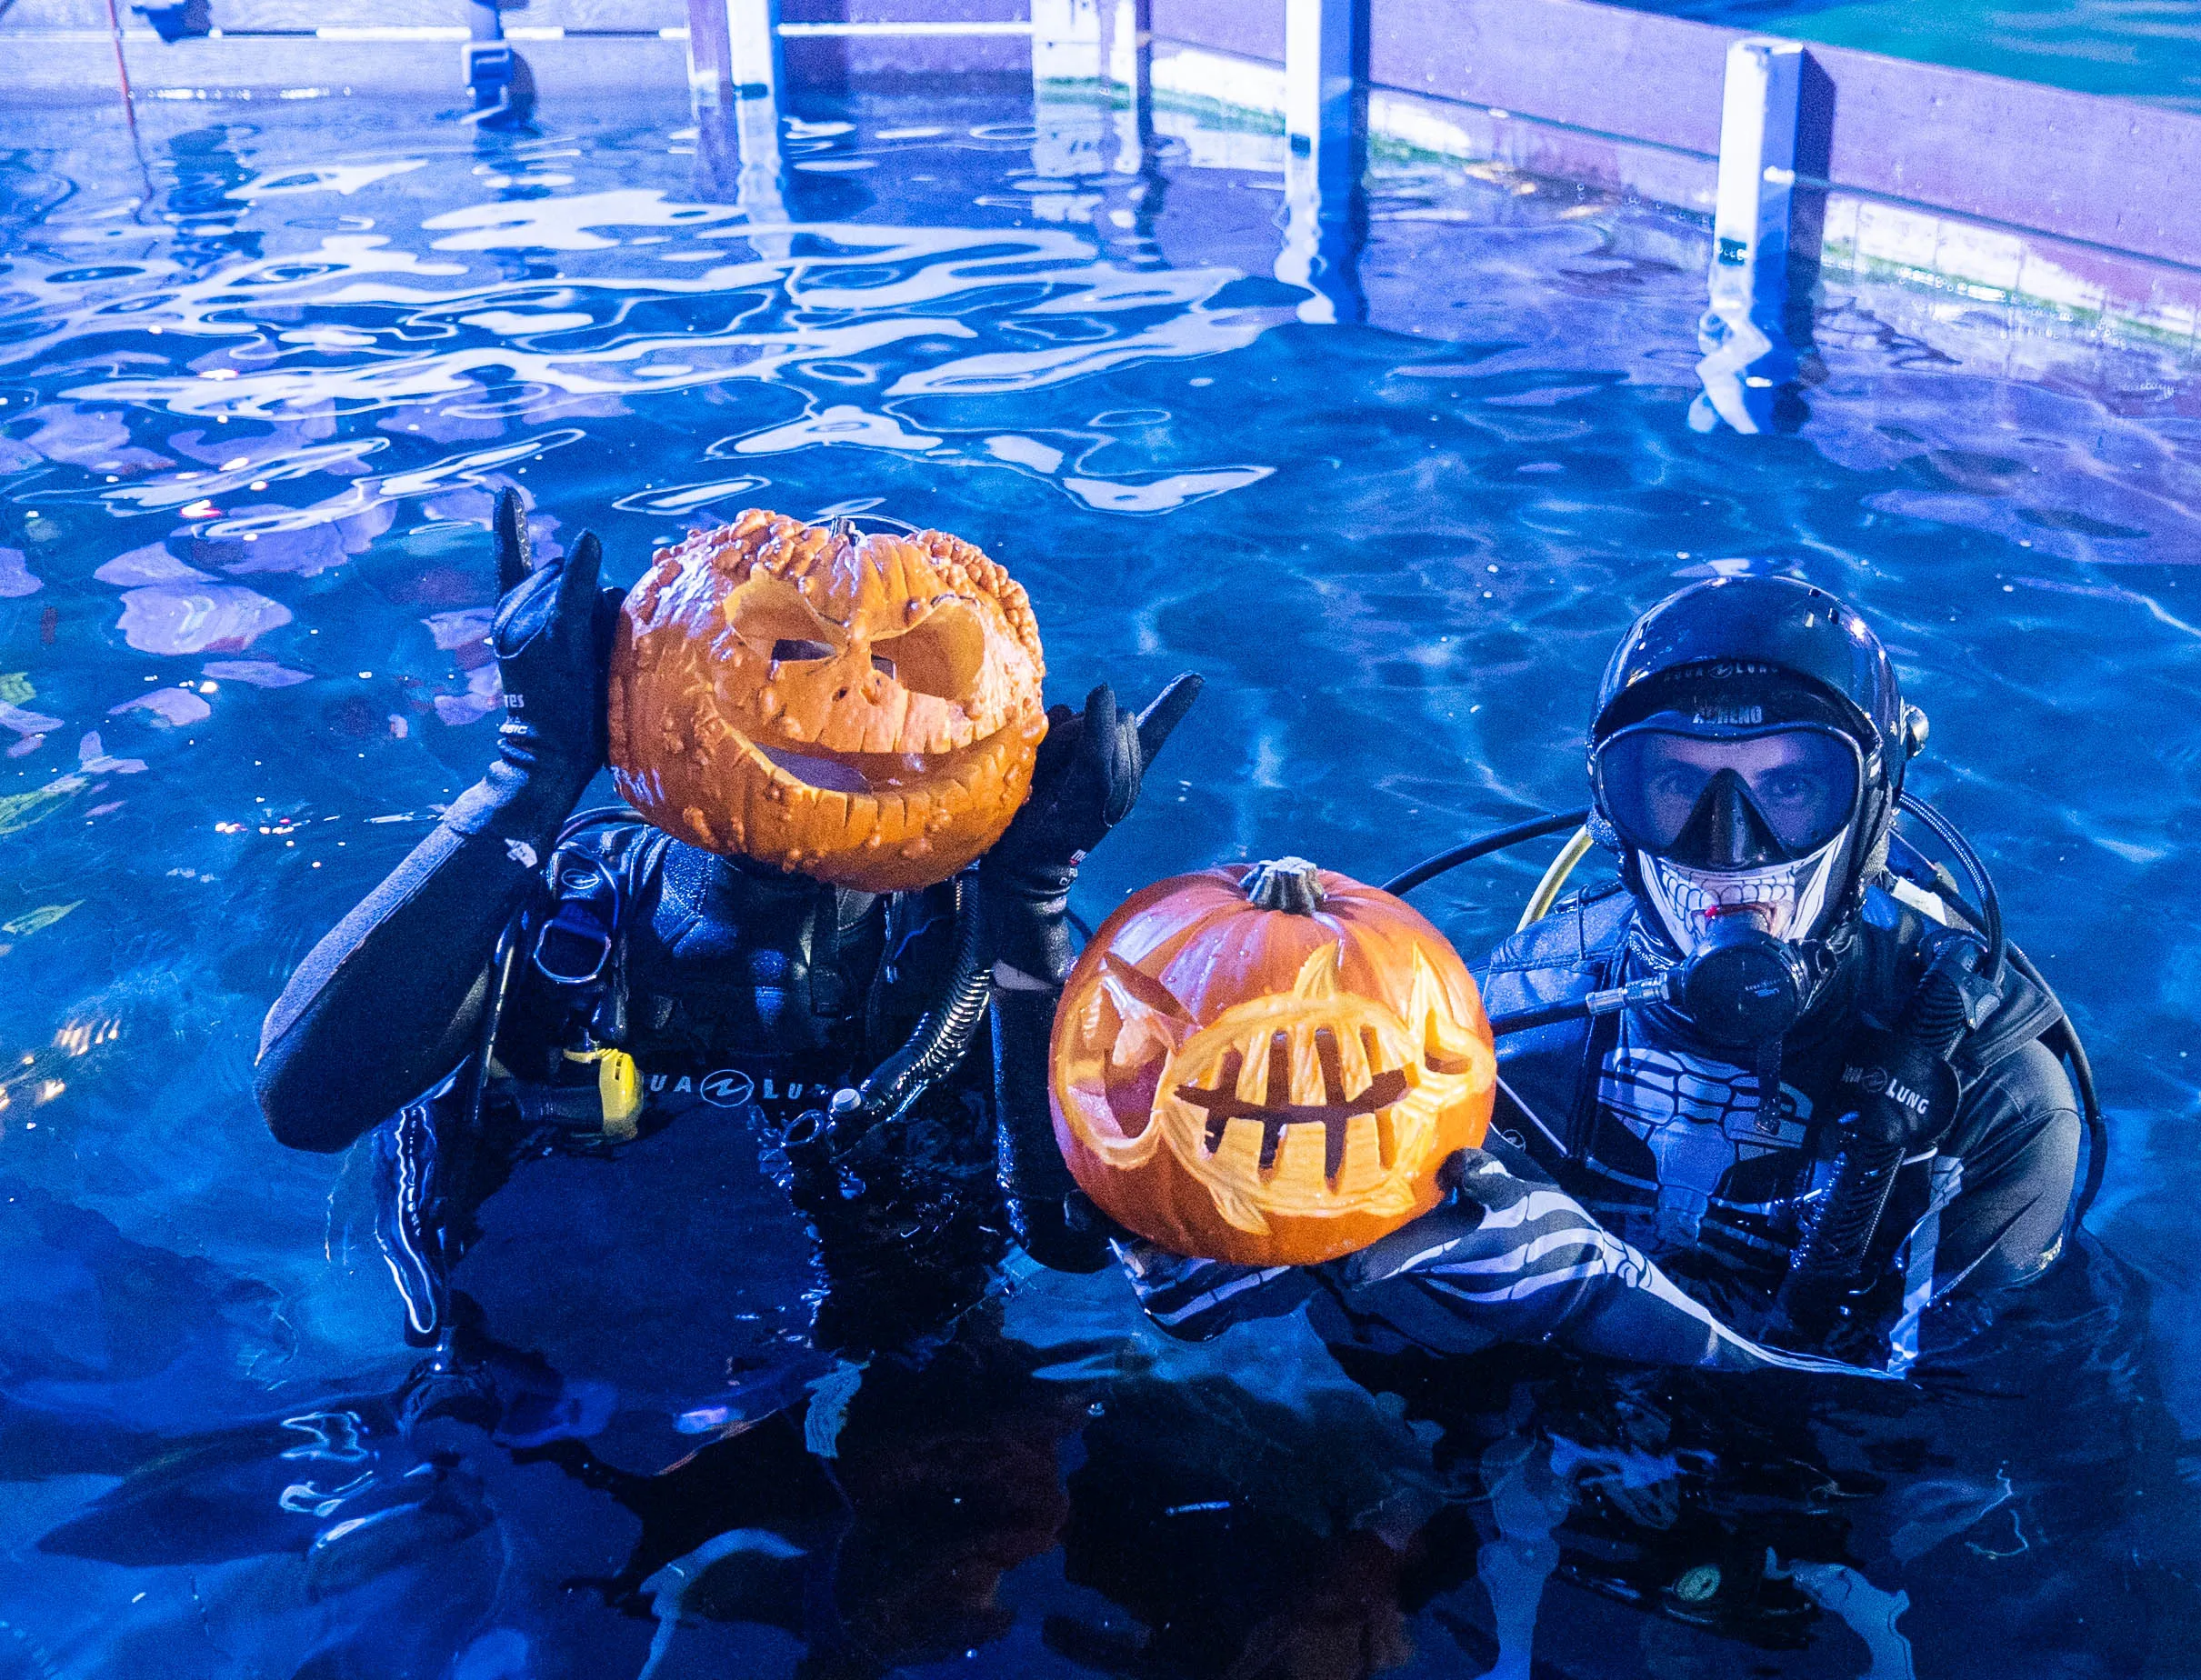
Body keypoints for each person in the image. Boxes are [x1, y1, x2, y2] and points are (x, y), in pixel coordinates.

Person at [256, 492, 1191, 1466]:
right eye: (787, 651)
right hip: (537, 1370)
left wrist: (1032, 895)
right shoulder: (557, 906)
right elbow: (306, 1103)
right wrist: (528, 771)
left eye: (905, 666)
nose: (847, 705)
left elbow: (1074, 1237)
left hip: (875, 1379)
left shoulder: (978, 952)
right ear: (656, 679)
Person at [1124, 575, 2091, 1376]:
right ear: (1608, 804)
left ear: (1871, 811)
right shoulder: (1505, 1017)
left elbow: (1946, 1434)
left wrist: (1596, 1297)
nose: (1728, 848)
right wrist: (1279, 1233)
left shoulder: (1994, 1102)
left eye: (1790, 788)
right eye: (1674, 785)